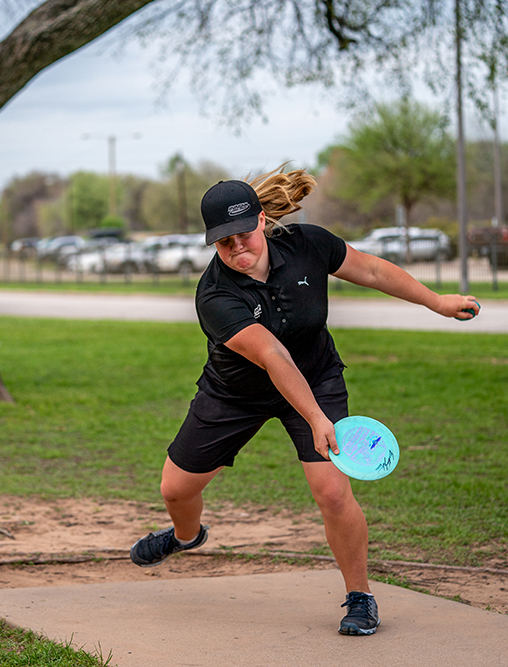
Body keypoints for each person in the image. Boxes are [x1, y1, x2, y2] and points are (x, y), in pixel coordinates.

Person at [129, 169, 479, 636]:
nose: (237, 248)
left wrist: (436, 302)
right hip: (235, 394)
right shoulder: (214, 295)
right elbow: (273, 356)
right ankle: (186, 537)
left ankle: (361, 597)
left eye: (244, 233)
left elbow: (371, 269)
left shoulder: (307, 244)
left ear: (261, 220)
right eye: (223, 241)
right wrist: (314, 418)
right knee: (175, 489)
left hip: (317, 377)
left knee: (333, 491)